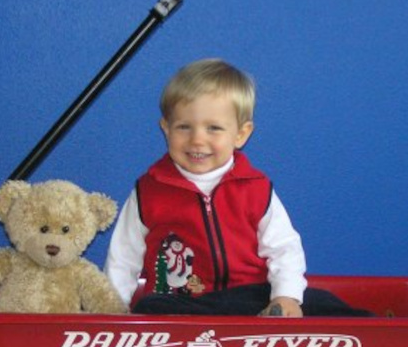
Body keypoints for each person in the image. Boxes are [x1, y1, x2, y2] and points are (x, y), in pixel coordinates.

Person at [105, 59, 370, 317]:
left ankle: (383, 328)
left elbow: (284, 248)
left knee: (320, 301)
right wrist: (112, 310)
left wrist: (285, 296)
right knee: (151, 307)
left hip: (250, 298)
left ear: (241, 134)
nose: (197, 139)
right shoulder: (149, 190)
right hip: (185, 305)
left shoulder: (255, 188)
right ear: (166, 128)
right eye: (184, 127)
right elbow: (123, 258)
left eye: (214, 128)